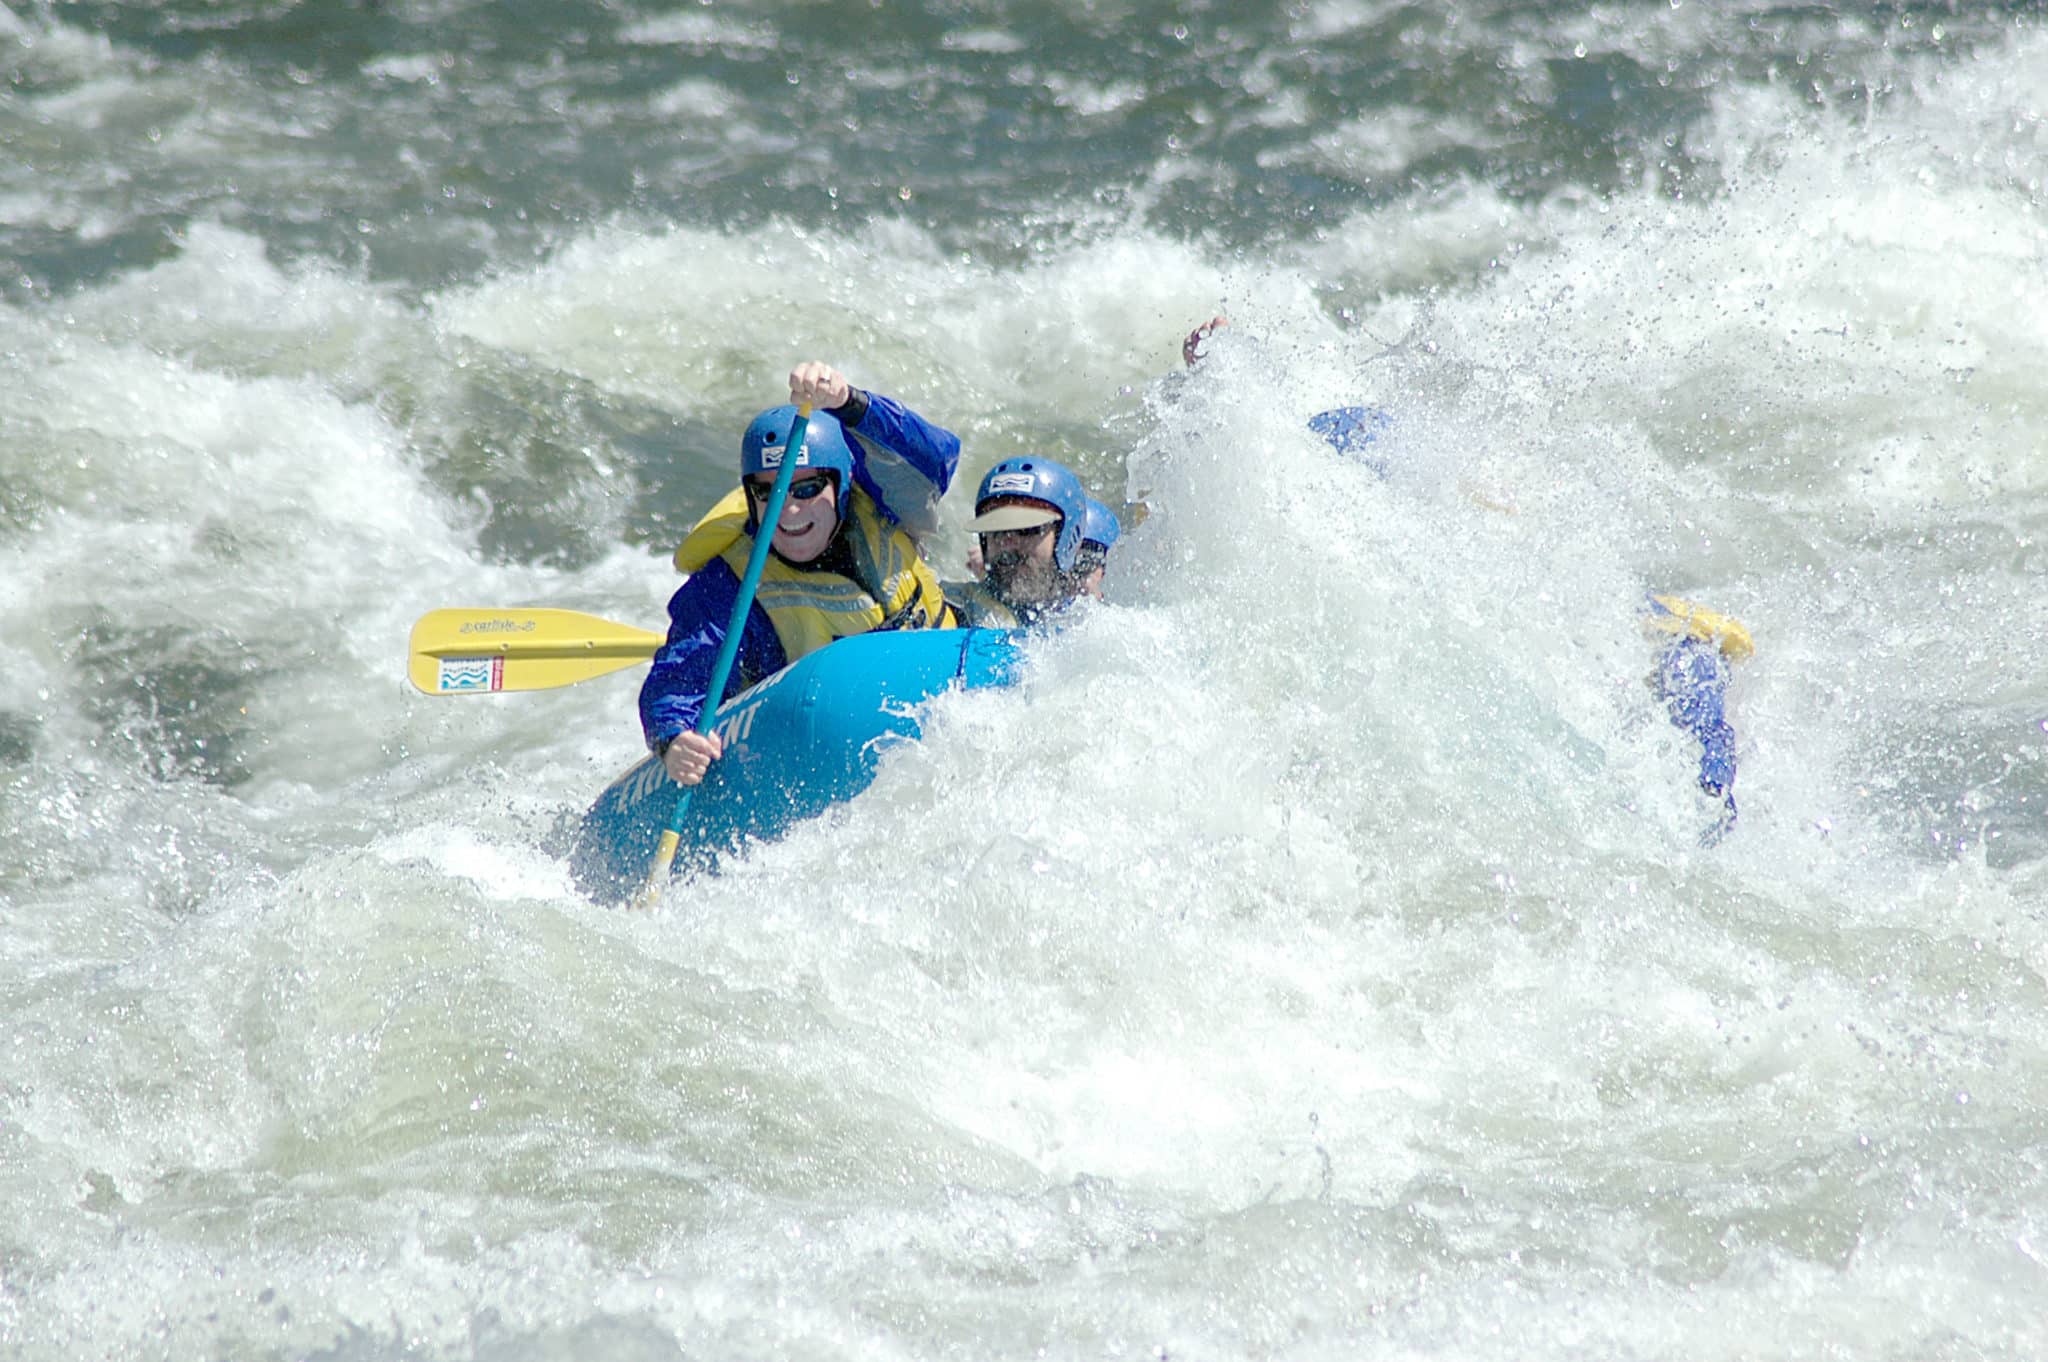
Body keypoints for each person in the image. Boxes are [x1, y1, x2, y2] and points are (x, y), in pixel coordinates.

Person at [1189, 316, 1753, 835]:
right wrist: (1212, 382)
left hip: (1613, 676)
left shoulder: (1501, 565)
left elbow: (1711, 642)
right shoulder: (1358, 577)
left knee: (1686, 667)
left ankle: (1708, 784)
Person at [640, 362, 959, 786]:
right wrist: (675, 737)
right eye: (767, 492)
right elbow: (683, 675)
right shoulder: (730, 586)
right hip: (825, 745)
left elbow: (936, 456)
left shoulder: (885, 504)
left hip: (949, 687)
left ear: (841, 486)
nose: (787, 511)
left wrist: (852, 404)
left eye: (806, 489)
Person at [944, 456, 1099, 627]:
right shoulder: (956, 606)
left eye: (1026, 530)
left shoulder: (1092, 625)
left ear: (1067, 539)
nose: (1008, 543)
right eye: (997, 530)